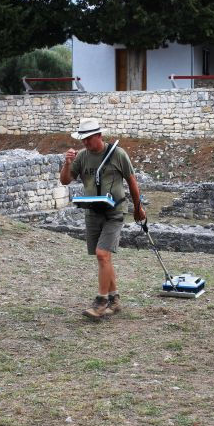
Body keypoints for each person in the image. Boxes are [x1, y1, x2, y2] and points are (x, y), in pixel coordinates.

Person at [60, 117, 146, 319]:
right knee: (104, 257)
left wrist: (138, 208)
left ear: (99, 136)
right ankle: (114, 299)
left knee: (101, 254)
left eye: (88, 139)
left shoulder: (118, 154)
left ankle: (101, 301)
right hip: (92, 211)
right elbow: (65, 180)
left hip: (114, 212)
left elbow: (132, 182)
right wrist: (67, 163)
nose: (85, 143)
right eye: (83, 139)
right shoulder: (81, 156)